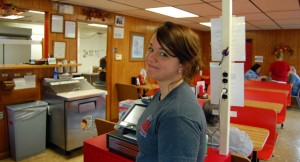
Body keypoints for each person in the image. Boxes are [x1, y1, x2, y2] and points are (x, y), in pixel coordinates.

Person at [136, 22, 207, 162]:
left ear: (183, 64)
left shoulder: (179, 115)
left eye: (163, 54)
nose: (151, 57)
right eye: (151, 49)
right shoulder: (162, 95)